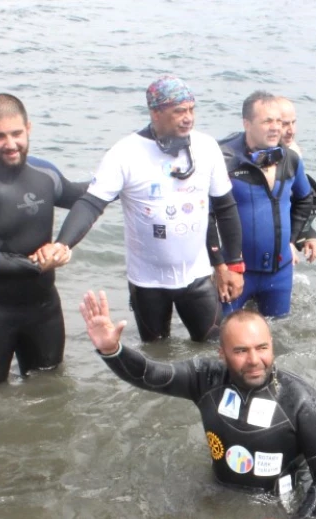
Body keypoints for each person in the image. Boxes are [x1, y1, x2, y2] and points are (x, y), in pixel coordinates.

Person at [79, 290, 316, 519]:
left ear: (272, 346)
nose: (254, 360)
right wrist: (113, 350)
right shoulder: (205, 378)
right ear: (221, 354)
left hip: (276, 506)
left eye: (262, 348)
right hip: (218, 491)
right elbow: (150, 375)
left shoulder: (302, 402)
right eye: (240, 351)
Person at [51, 76, 245, 343]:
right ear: (155, 112)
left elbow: (225, 208)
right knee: (155, 356)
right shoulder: (125, 153)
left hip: (197, 277)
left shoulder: (207, 147)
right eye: (179, 111)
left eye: (191, 109)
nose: (188, 118)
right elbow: (91, 203)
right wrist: (63, 244)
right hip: (147, 283)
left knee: (214, 349)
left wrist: (233, 265)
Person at [0, 94, 89, 387]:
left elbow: (83, 197)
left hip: (44, 309)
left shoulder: (44, 173)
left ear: (29, 128)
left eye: (16, 133)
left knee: (51, 394)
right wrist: (38, 264)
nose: (10, 144)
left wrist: (123, 177)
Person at [218, 91, 316, 317]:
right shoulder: (225, 159)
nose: (275, 128)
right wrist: (219, 266)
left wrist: (293, 240)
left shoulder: (290, 159)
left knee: (278, 339)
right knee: (221, 339)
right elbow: (207, 214)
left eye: (278, 122)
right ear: (247, 123)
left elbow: (305, 198)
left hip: (278, 274)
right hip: (237, 272)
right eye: (267, 121)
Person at [276, 96, 316, 263]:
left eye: (293, 123)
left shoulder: (293, 152)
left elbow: (296, 202)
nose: (291, 131)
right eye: (284, 124)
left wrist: (307, 234)